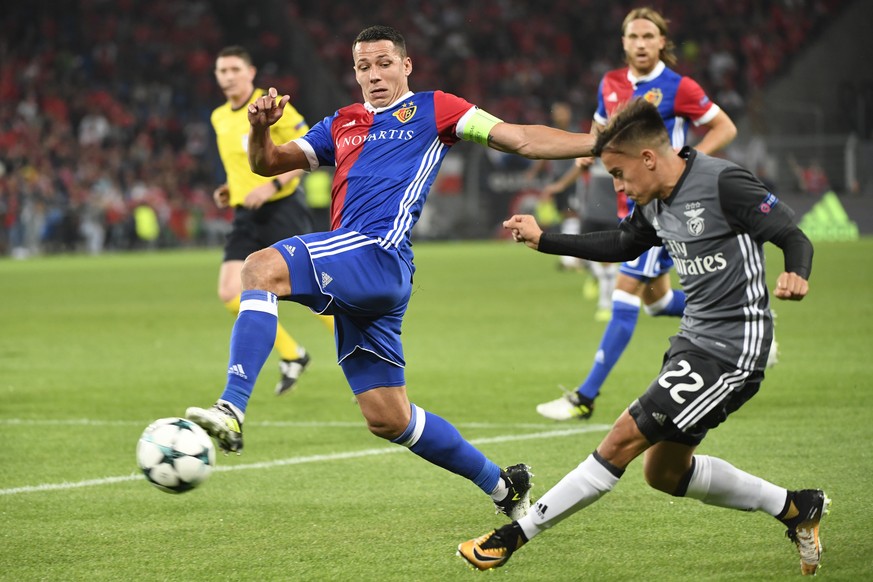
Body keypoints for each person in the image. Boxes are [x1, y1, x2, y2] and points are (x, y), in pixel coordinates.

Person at [186, 25, 598, 520]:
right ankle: (503, 485)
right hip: (359, 270)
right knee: (388, 417)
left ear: (406, 65)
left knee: (259, 266)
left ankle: (231, 406)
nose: (375, 75)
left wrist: (595, 143)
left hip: (377, 252)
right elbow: (268, 164)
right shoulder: (343, 122)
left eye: (384, 63)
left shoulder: (436, 108)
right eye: (364, 66)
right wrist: (260, 128)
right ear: (355, 72)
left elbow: (521, 139)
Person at [458, 98, 827, 576]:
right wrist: (544, 238)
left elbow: (792, 234)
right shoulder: (652, 201)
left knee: (621, 439)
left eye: (618, 172)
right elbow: (622, 242)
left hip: (735, 348)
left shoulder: (722, 182)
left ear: (648, 158)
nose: (617, 185)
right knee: (665, 474)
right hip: (693, 342)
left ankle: (511, 537)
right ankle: (798, 507)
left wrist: (796, 272)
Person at [535, 7, 741, 422]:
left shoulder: (677, 86)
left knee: (625, 293)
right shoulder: (610, 84)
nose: (641, 44)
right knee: (658, 301)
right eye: (634, 37)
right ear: (624, 42)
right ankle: (743, 316)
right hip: (628, 205)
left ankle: (584, 397)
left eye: (649, 36)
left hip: (665, 205)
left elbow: (725, 127)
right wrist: (587, 158)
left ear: (662, 41)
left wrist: (687, 162)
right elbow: (598, 135)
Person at [210, 46, 333, 396]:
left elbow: (308, 151)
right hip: (245, 214)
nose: (228, 76)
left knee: (316, 294)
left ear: (250, 73)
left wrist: (271, 186)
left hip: (281, 208)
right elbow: (241, 166)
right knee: (230, 291)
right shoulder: (219, 117)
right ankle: (293, 355)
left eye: (235, 69)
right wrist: (229, 189)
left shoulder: (271, 106)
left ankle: (362, 360)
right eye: (222, 70)